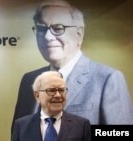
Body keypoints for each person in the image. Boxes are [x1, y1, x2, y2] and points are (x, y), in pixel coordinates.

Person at [12, 0, 133, 131]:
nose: (47, 36)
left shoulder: (107, 79)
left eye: (58, 28)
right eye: (41, 28)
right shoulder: (29, 80)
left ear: (79, 34)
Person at [11, 71, 91, 141]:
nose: (58, 95)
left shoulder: (82, 125)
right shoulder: (21, 126)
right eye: (51, 90)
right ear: (37, 95)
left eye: (61, 90)